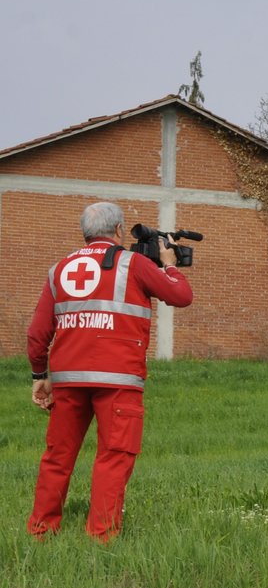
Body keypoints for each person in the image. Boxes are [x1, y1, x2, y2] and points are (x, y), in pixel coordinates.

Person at [27, 202, 193, 541]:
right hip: (118, 381)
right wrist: (170, 265)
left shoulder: (58, 269)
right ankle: (100, 537)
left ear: (85, 233)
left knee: (57, 457)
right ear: (119, 230)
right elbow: (180, 295)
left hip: (68, 380)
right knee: (114, 458)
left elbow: (37, 333)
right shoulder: (132, 263)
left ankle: (41, 531)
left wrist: (38, 375)